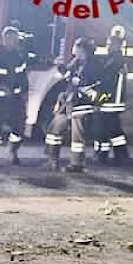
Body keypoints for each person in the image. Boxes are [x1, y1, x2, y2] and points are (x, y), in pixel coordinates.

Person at [45, 37, 106, 173]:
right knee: (54, 129)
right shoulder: (76, 62)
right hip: (70, 102)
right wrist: (59, 66)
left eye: (75, 47)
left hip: (82, 104)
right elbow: (68, 75)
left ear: (82, 49)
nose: (73, 49)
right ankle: (52, 160)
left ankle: (77, 164)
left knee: (77, 138)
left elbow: (86, 84)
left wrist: (74, 83)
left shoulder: (93, 66)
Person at [0, 26, 29, 166]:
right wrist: (1, 87)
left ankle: (13, 152)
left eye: (14, 39)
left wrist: (25, 92)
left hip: (15, 100)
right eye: (9, 38)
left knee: (18, 128)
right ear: (3, 39)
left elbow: (23, 77)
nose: (12, 41)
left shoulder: (19, 57)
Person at [93, 26, 130, 165]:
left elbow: (106, 78)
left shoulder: (116, 60)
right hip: (110, 100)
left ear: (117, 45)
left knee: (111, 129)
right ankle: (108, 155)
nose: (108, 46)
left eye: (110, 44)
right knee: (107, 128)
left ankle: (118, 156)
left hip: (112, 101)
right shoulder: (113, 59)